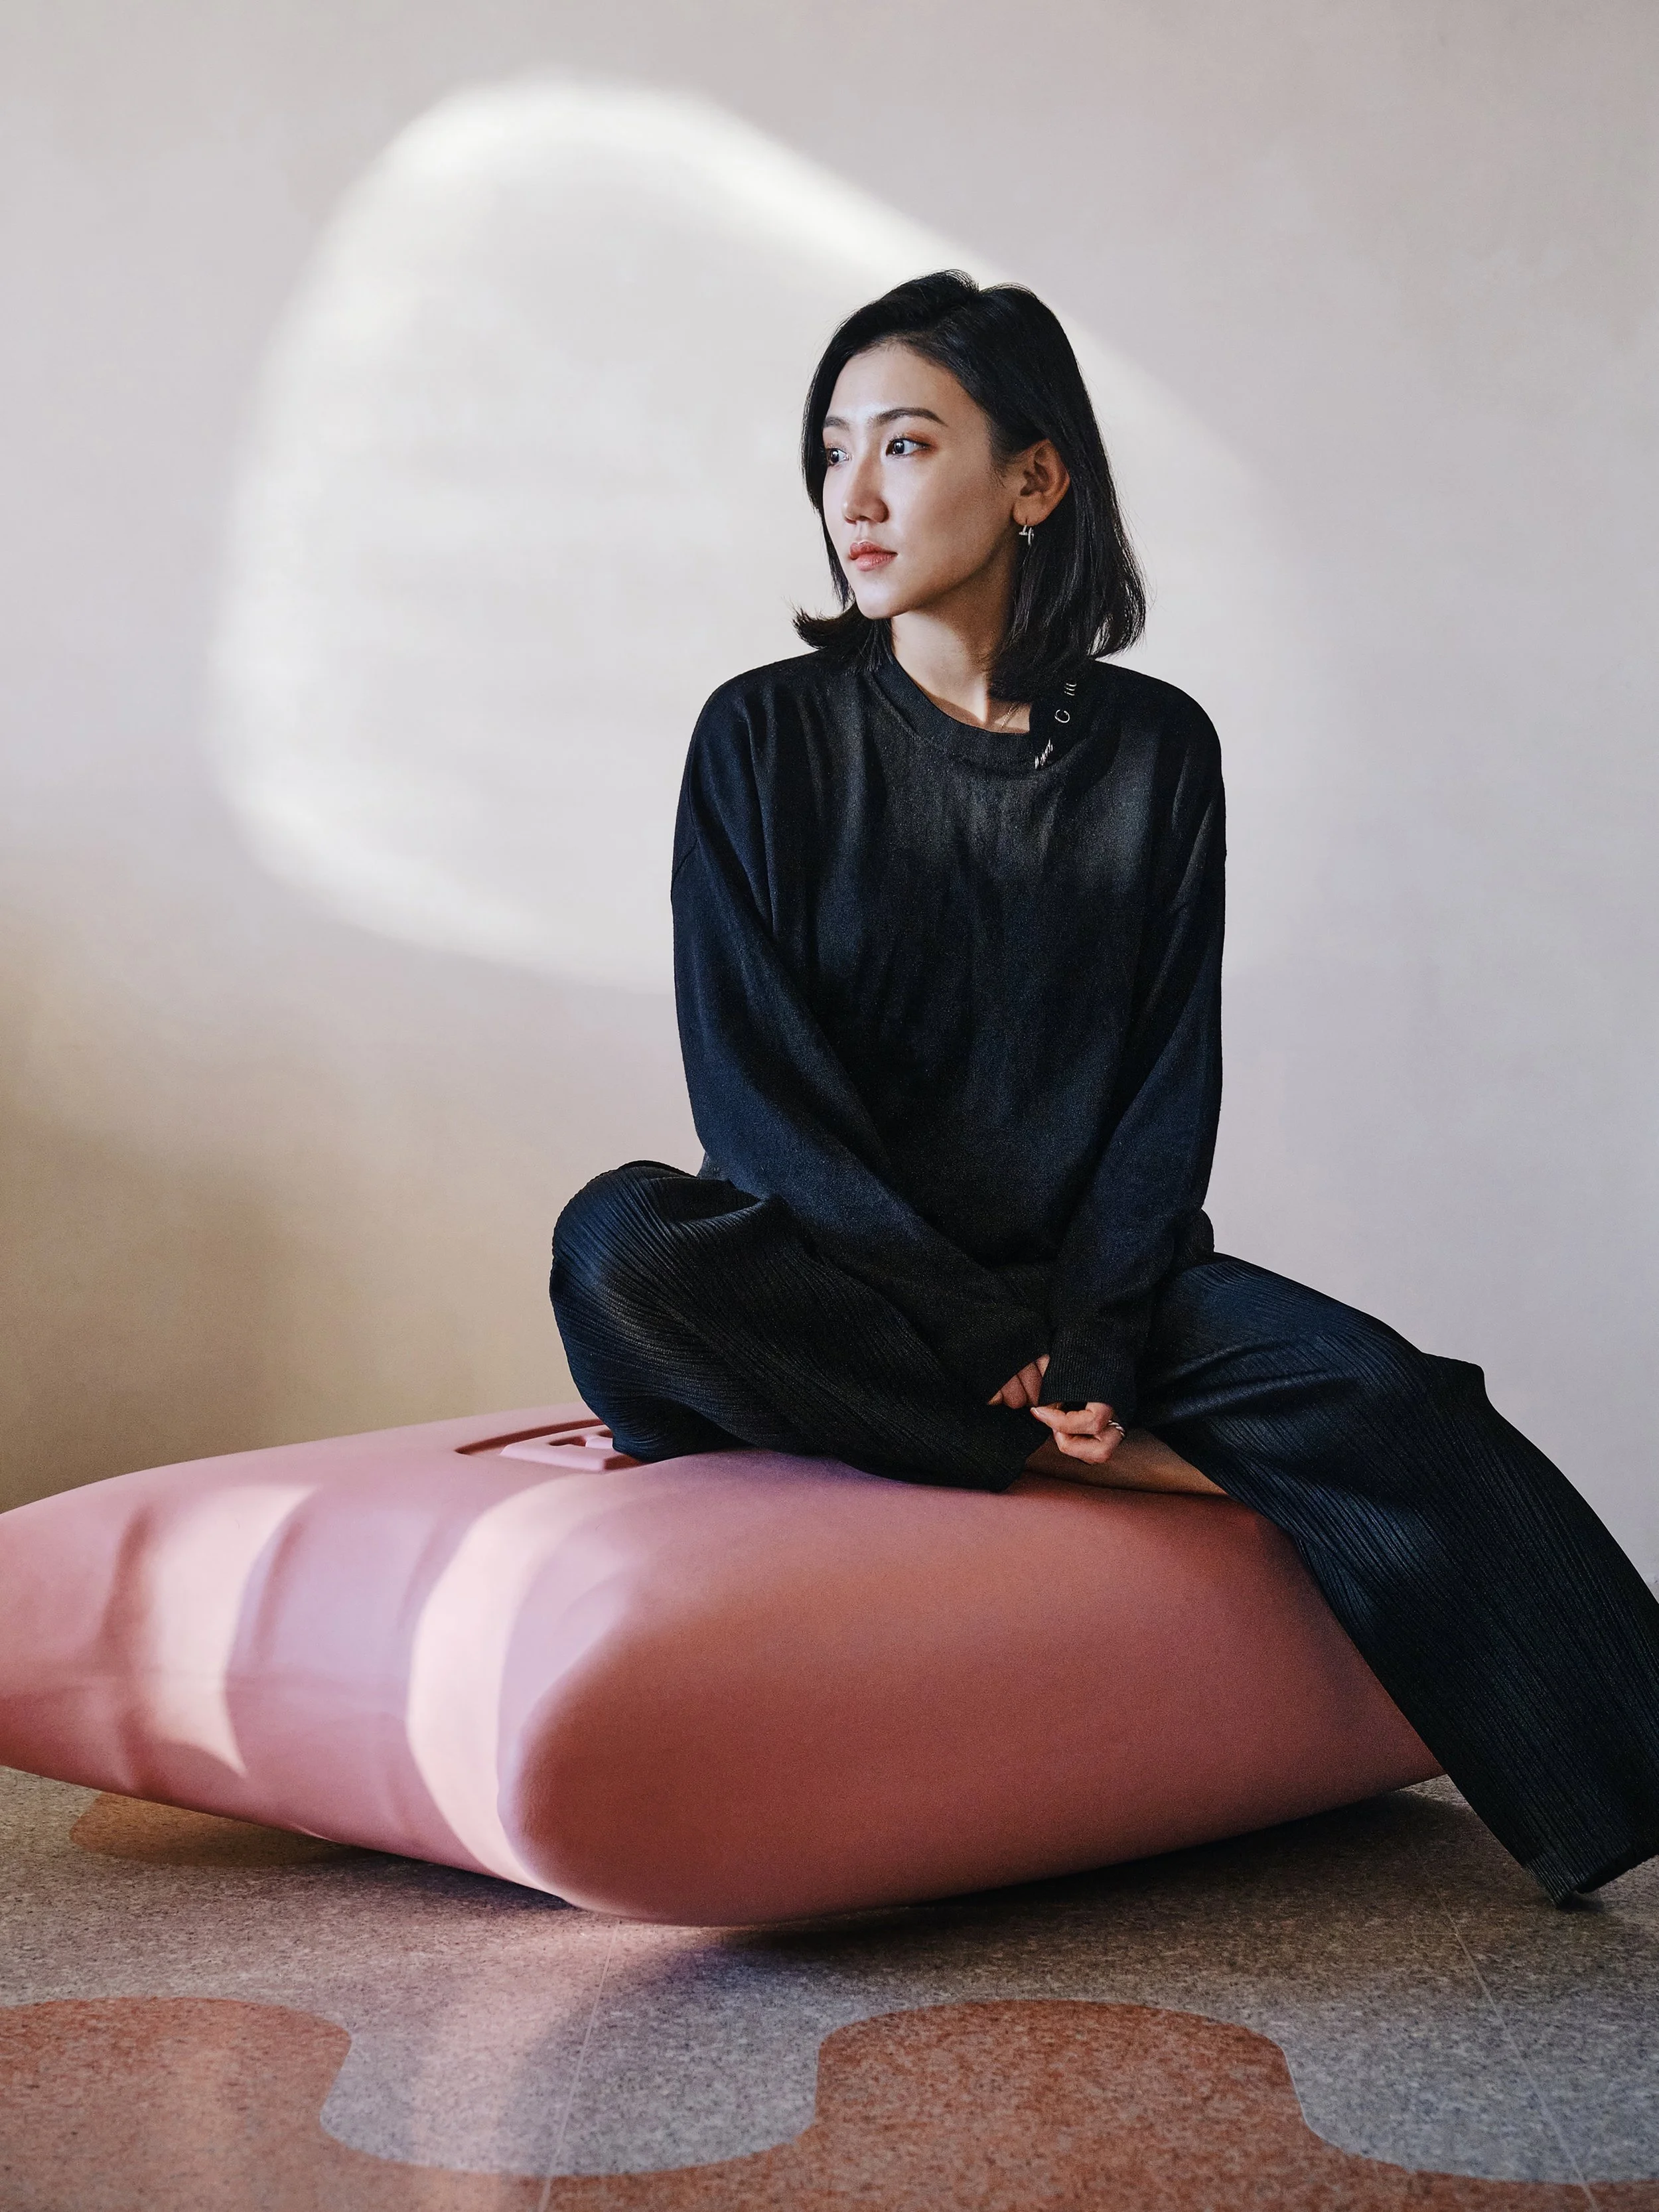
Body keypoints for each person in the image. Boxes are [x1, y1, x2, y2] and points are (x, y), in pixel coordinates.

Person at [550, 269, 1659, 1906]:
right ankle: (1087, 1455)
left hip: (1082, 1282)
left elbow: (1159, 1093)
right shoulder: (759, 740)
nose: (851, 496)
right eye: (831, 450)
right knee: (619, 1245)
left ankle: (1615, 1788)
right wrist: (990, 1346)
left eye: (905, 445)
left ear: (1033, 478)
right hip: (837, 1278)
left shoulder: (1157, 753)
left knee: (1402, 1403)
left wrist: (1096, 1333)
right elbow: (756, 1098)